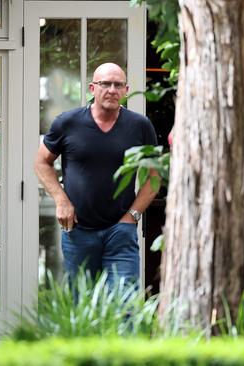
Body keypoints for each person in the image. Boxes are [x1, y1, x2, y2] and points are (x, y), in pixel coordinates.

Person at [34, 63, 158, 286]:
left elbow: (154, 176)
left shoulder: (140, 126)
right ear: (92, 88)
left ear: (126, 90)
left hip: (121, 232)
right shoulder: (68, 123)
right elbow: (42, 162)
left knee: (124, 305)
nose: (112, 89)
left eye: (118, 84)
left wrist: (133, 217)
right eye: (105, 84)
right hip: (78, 231)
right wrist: (61, 201)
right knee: (81, 303)